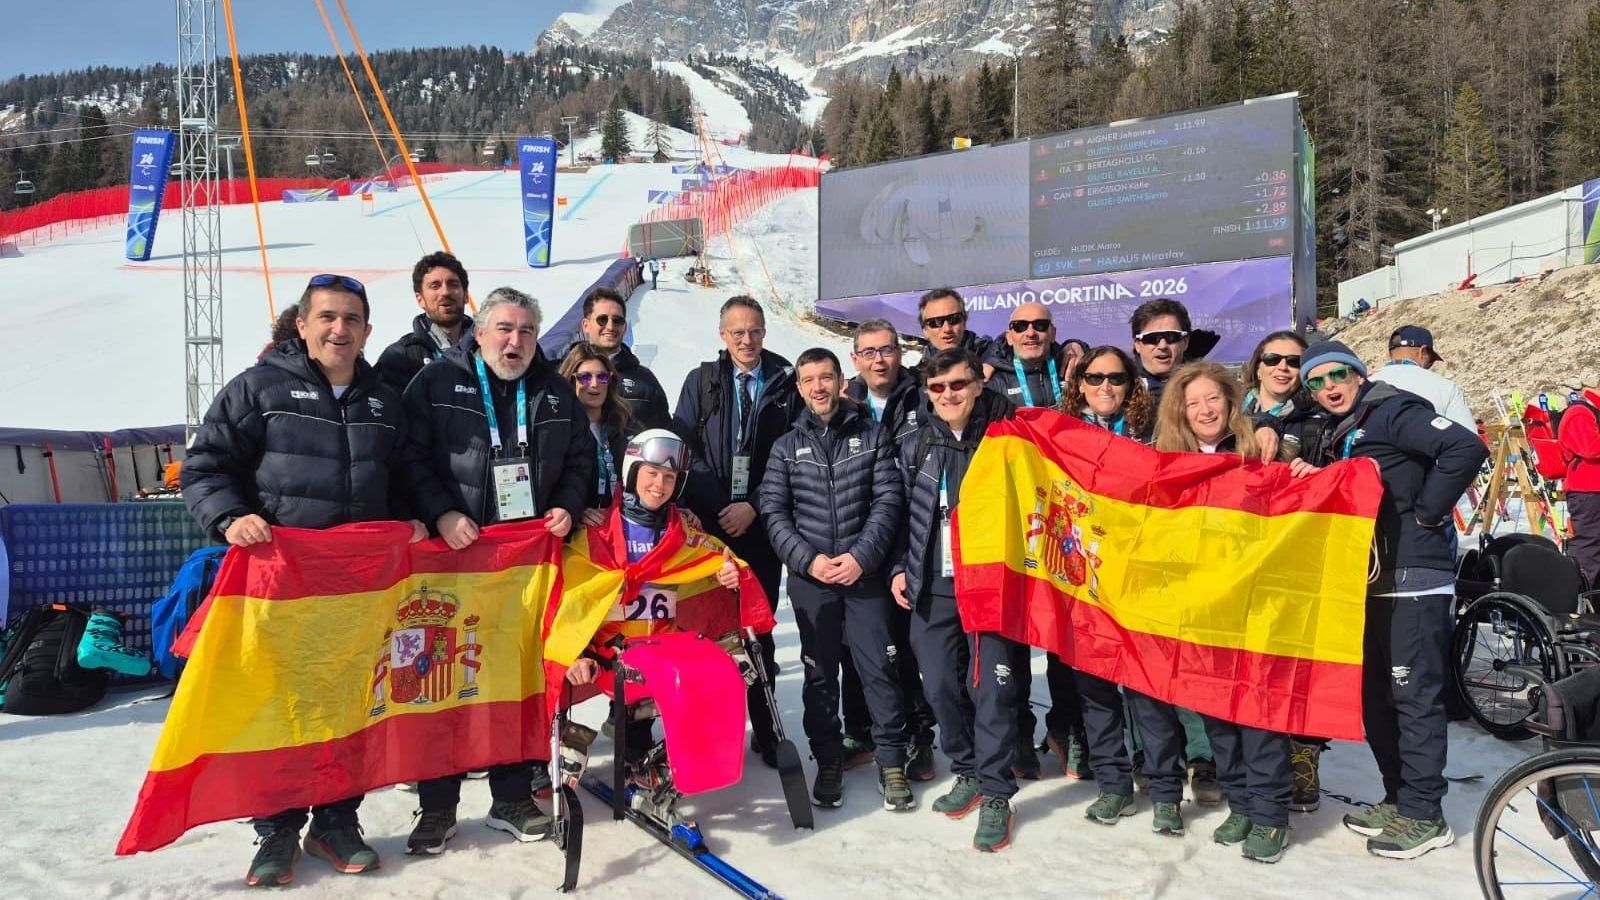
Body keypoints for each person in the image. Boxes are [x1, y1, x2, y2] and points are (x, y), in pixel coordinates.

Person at [182, 273, 421, 886]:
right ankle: (277, 830)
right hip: (283, 587)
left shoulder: (384, 401)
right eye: (328, 318)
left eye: (352, 320)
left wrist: (421, 518)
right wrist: (230, 517)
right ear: (303, 325)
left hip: (360, 592)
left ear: (368, 331)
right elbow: (205, 464)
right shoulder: (260, 389)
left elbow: (408, 475)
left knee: (351, 703)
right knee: (282, 707)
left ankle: (338, 822)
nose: (339, 329)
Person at [400, 286, 595, 855]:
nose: (516, 341)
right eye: (505, 329)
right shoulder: (435, 384)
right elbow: (408, 456)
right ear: (479, 332)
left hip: (520, 568)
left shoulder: (556, 392)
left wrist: (565, 502)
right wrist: (442, 511)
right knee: (440, 683)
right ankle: (437, 806)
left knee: (515, 683)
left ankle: (511, 796)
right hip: (452, 562)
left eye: (527, 331)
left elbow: (580, 459)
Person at [1293, 341, 1488, 859]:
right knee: (1374, 695)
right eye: (1317, 381)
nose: (1329, 387)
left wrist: (1426, 513)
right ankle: (1399, 797)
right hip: (1369, 579)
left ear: (1359, 374)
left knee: (1412, 696)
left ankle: (1426, 813)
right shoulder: (1343, 431)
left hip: (1413, 576)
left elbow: (1466, 449)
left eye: (1339, 375)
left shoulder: (1392, 410)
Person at [759, 347, 913, 811]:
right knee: (819, 674)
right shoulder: (786, 447)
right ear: (801, 388)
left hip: (863, 577)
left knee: (879, 670)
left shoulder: (872, 435)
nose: (818, 388)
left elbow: (888, 500)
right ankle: (827, 758)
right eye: (809, 381)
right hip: (813, 582)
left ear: (840, 381)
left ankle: (890, 762)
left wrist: (861, 557)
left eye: (826, 378)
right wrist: (808, 561)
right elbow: (773, 511)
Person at [1154, 363, 1293, 863]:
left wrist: (1288, 453)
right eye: (1192, 404)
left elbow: (1300, 490)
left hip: (1258, 605)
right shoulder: (1171, 463)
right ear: (1180, 413)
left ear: (1232, 403)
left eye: (1212, 399)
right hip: (1203, 606)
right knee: (1216, 712)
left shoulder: (1259, 449)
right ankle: (1243, 801)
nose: (1204, 410)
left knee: (1258, 712)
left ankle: (1272, 814)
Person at [891, 348, 1021, 852]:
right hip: (934, 581)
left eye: (958, 385)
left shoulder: (1007, 438)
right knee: (941, 685)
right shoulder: (914, 442)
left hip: (990, 583)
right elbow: (897, 508)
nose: (949, 395)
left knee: (991, 689)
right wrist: (902, 566)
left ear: (978, 385)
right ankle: (966, 767)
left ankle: (995, 791)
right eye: (938, 388)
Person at [563, 429, 743, 767]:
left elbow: (713, 556)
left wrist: (725, 572)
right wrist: (572, 653)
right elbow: (570, 595)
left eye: (669, 477)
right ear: (632, 472)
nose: (659, 485)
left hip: (660, 647)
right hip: (611, 653)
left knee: (718, 674)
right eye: (652, 474)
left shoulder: (680, 529)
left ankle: (672, 754)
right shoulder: (600, 530)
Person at [672, 295, 800, 766]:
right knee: (705, 633)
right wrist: (721, 505)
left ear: (765, 332)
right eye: (738, 332)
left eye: (756, 331)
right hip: (710, 527)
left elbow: (792, 452)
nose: (748, 341)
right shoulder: (702, 381)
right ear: (722, 335)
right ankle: (706, 731)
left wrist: (753, 506)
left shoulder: (786, 380)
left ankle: (765, 728)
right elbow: (685, 446)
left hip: (762, 526)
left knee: (757, 627)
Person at [1056, 346, 1156, 829]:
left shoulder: (1155, 431)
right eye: (1094, 378)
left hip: (1140, 577)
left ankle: (1163, 785)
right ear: (1079, 386)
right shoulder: (1061, 435)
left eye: (1116, 379)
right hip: (1084, 580)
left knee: (1146, 690)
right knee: (1094, 690)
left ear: (1131, 384)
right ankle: (1114, 784)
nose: (1104, 387)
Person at [982, 302, 1081, 781]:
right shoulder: (990, 375)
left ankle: (1065, 728)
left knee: (1068, 632)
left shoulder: (1073, 370)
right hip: (1013, 518)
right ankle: (1019, 732)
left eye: (1040, 325)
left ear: (1053, 331)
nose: (1030, 332)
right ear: (1008, 333)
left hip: (1065, 519)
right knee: (1015, 633)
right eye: (1020, 326)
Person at [1241, 330, 1334, 812]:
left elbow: (1344, 474)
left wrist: (1318, 472)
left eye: (1293, 362)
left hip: (1298, 553)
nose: (1282, 368)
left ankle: (1303, 757)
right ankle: (1245, 762)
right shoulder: (1229, 413)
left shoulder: (1322, 415)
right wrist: (1254, 423)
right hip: (1241, 555)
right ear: (1257, 365)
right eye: (1272, 359)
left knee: (1297, 663)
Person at [842, 320, 935, 779]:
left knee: (909, 642)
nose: (879, 359)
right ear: (855, 358)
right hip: (861, 539)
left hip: (914, 533)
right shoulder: (844, 402)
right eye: (869, 352)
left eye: (887, 350)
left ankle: (920, 735)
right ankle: (861, 731)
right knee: (864, 647)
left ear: (900, 354)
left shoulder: (923, 396)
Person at [558, 342, 636, 526]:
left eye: (602, 377)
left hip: (619, 528)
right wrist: (576, 511)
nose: (594, 384)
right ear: (571, 380)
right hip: (577, 534)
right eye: (584, 377)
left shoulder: (625, 426)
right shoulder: (558, 430)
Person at [574, 287, 673, 429]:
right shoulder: (564, 374)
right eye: (602, 320)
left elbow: (663, 436)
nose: (610, 326)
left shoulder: (645, 380)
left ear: (625, 327)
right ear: (586, 325)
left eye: (617, 320)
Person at [374, 251, 471, 393]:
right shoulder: (400, 356)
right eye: (435, 286)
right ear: (420, 299)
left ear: (466, 295)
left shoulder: (488, 351)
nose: (445, 292)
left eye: (453, 284)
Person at [1369, 326, 1474, 430]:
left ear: (1389, 355)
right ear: (1422, 352)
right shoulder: (1446, 388)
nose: (1429, 366)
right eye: (1430, 361)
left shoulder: (1364, 383)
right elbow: (1470, 441)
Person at [1559, 386, 1600, 584]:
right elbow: (1590, 448)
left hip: (1592, 490)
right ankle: (1580, 593)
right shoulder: (1579, 412)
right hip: (1587, 491)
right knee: (1588, 545)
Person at [918, 287, 994, 366]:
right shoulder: (918, 375)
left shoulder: (990, 358)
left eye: (954, 319)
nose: (947, 329)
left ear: (964, 322)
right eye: (936, 322)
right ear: (924, 330)